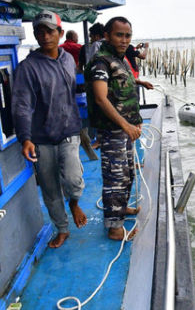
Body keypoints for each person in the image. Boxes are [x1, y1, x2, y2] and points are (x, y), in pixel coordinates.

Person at [12, 10, 87, 248]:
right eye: (39, 32)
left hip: (69, 132)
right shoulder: (28, 67)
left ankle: (74, 202)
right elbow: (22, 105)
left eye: (49, 31)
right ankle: (62, 228)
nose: (44, 36)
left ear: (60, 33)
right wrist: (25, 138)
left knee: (73, 179)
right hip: (41, 138)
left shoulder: (68, 59)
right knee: (50, 188)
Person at [85, 16, 153, 241]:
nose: (124, 40)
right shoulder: (101, 62)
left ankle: (121, 210)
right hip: (114, 130)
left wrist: (140, 83)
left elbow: (122, 85)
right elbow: (101, 98)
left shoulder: (120, 59)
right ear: (107, 35)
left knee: (127, 174)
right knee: (115, 177)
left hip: (126, 129)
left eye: (127, 36)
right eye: (119, 35)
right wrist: (125, 124)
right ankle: (115, 228)